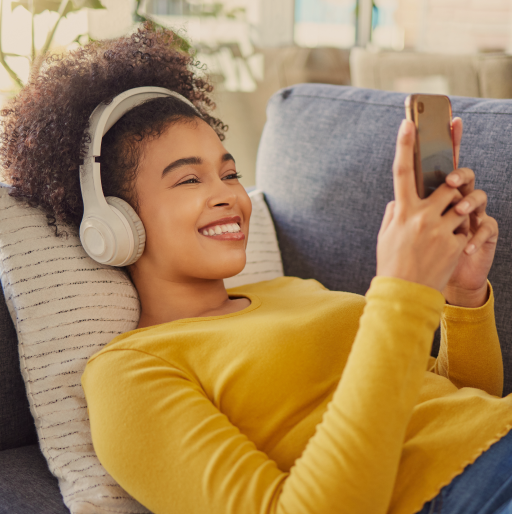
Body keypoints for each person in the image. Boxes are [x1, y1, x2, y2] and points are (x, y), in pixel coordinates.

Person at [2, 21, 511, 514]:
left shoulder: (293, 289)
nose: (227, 195)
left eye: (229, 173)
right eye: (188, 181)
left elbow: (462, 405)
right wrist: (403, 293)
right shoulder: (131, 373)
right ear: (115, 219)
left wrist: (461, 296)